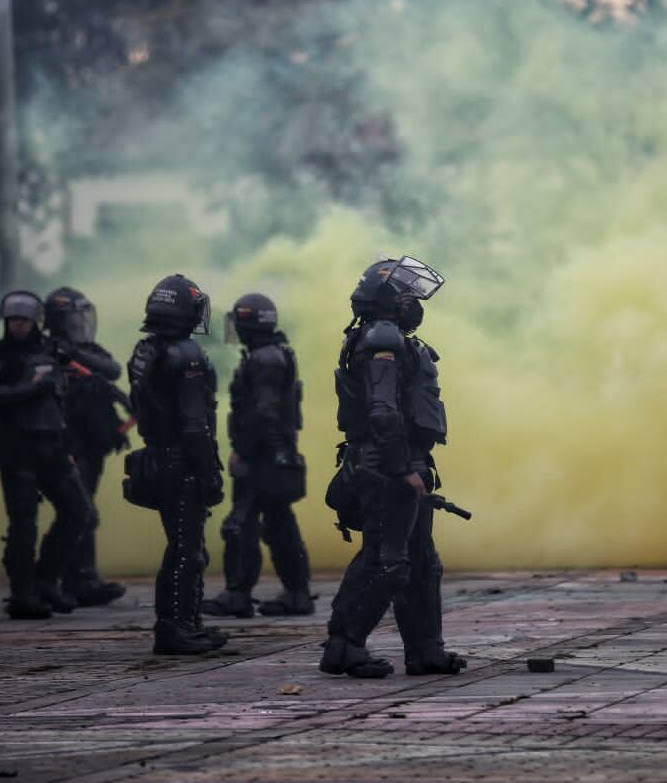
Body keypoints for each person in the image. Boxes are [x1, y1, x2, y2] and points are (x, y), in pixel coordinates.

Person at [320, 257, 465, 678]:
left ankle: (425, 652)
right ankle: (343, 646)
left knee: (422, 562)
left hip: (401, 461)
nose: (413, 302)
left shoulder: (388, 336)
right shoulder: (381, 338)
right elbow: (383, 413)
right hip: (384, 467)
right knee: (386, 562)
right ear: (386, 298)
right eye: (405, 294)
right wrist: (403, 469)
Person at [0, 291, 95, 619]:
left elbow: (59, 402)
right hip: (17, 450)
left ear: (36, 321)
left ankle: (46, 580)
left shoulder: (50, 351)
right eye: (12, 320)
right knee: (23, 524)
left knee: (79, 512)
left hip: (53, 447)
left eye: (23, 320)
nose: (17, 326)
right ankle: (22, 593)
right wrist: (30, 388)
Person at [127, 275, 226, 655]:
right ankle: (177, 628)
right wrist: (208, 472)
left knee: (181, 546)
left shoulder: (146, 349)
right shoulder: (187, 355)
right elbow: (194, 425)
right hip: (182, 460)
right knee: (188, 550)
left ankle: (185, 623)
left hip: (157, 453)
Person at [203, 293, 313, 618]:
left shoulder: (264, 359)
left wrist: (244, 451)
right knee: (280, 524)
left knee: (242, 524)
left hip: (262, 458)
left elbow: (264, 412)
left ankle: (237, 594)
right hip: (276, 455)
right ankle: (297, 592)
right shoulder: (275, 354)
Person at [42, 287, 129, 607]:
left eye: (83, 316)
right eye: (73, 318)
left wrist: (71, 353)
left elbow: (112, 370)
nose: (80, 323)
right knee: (79, 512)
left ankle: (82, 578)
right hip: (66, 444)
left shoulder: (83, 351)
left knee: (84, 508)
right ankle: (54, 579)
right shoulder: (44, 354)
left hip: (93, 445)